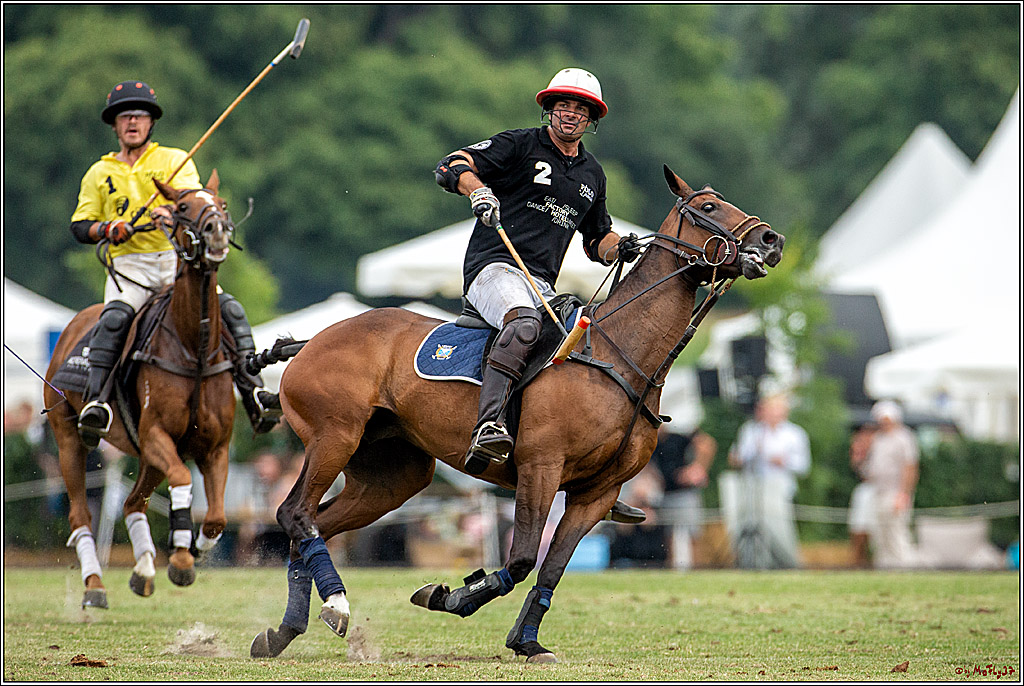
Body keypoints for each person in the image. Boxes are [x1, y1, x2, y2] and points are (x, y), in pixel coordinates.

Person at [433, 67, 642, 474]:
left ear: (591, 119)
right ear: (550, 109)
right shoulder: (520, 145)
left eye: (580, 108)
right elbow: (452, 164)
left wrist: (624, 246)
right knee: (525, 326)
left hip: (541, 283)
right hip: (493, 267)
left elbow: (597, 238)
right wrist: (478, 190)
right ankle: (488, 424)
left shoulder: (592, 175)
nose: (570, 114)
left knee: (585, 344)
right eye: (563, 105)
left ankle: (590, 461)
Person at [69, 80, 279, 448]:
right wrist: (108, 227)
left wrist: (171, 211)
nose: (132, 122)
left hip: (173, 260)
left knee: (228, 308)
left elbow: (192, 200)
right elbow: (80, 225)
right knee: (115, 318)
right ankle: (97, 403)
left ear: (151, 123)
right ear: (115, 125)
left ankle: (254, 393)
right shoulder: (98, 174)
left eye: (140, 116)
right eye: (124, 116)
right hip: (129, 266)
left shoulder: (174, 159)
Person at [727, 393, 810, 568]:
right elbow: (739, 456)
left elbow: (803, 465)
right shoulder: (751, 430)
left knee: (778, 527)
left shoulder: (794, 433)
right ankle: (754, 562)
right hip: (752, 488)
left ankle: (786, 563)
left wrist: (784, 462)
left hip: (779, 488)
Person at [861, 400, 920, 569]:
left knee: (897, 533)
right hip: (878, 492)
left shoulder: (904, 437)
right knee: (880, 534)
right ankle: (884, 568)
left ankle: (907, 567)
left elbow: (910, 467)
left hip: (895, 492)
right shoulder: (879, 438)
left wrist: (903, 494)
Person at [650, 424, 717, 570]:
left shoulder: (678, 436)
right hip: (666, 494)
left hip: (685, 494)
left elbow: (707, 443)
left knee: (693, 535)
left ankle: (697, 568)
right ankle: (673, 569)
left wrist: (698, 469)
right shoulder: (653, 441)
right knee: (668, 538)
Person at [847, 421, 877, 568]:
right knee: (858, 528)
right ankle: (858, 561)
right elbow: (859, 471)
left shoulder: (883, 445)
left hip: (881, 491)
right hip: (866, 490)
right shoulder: (860, 447)